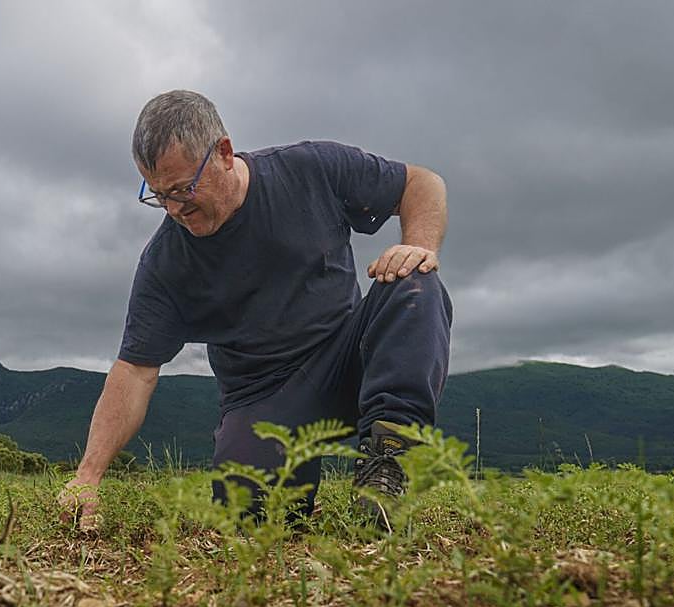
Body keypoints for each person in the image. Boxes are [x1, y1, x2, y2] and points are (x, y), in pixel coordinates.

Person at [59, 90, 452, 529]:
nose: (174, 210)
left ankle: (388, 468)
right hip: (263, 396)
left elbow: (421, 183)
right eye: (158, 196)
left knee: (415, 281)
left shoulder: (309, 168)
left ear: (224, 152)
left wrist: (417, 244)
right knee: (248, 513)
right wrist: (87, 476)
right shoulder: (166, 262)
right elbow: (135, 371)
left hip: (348, 359)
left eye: (184, 189)